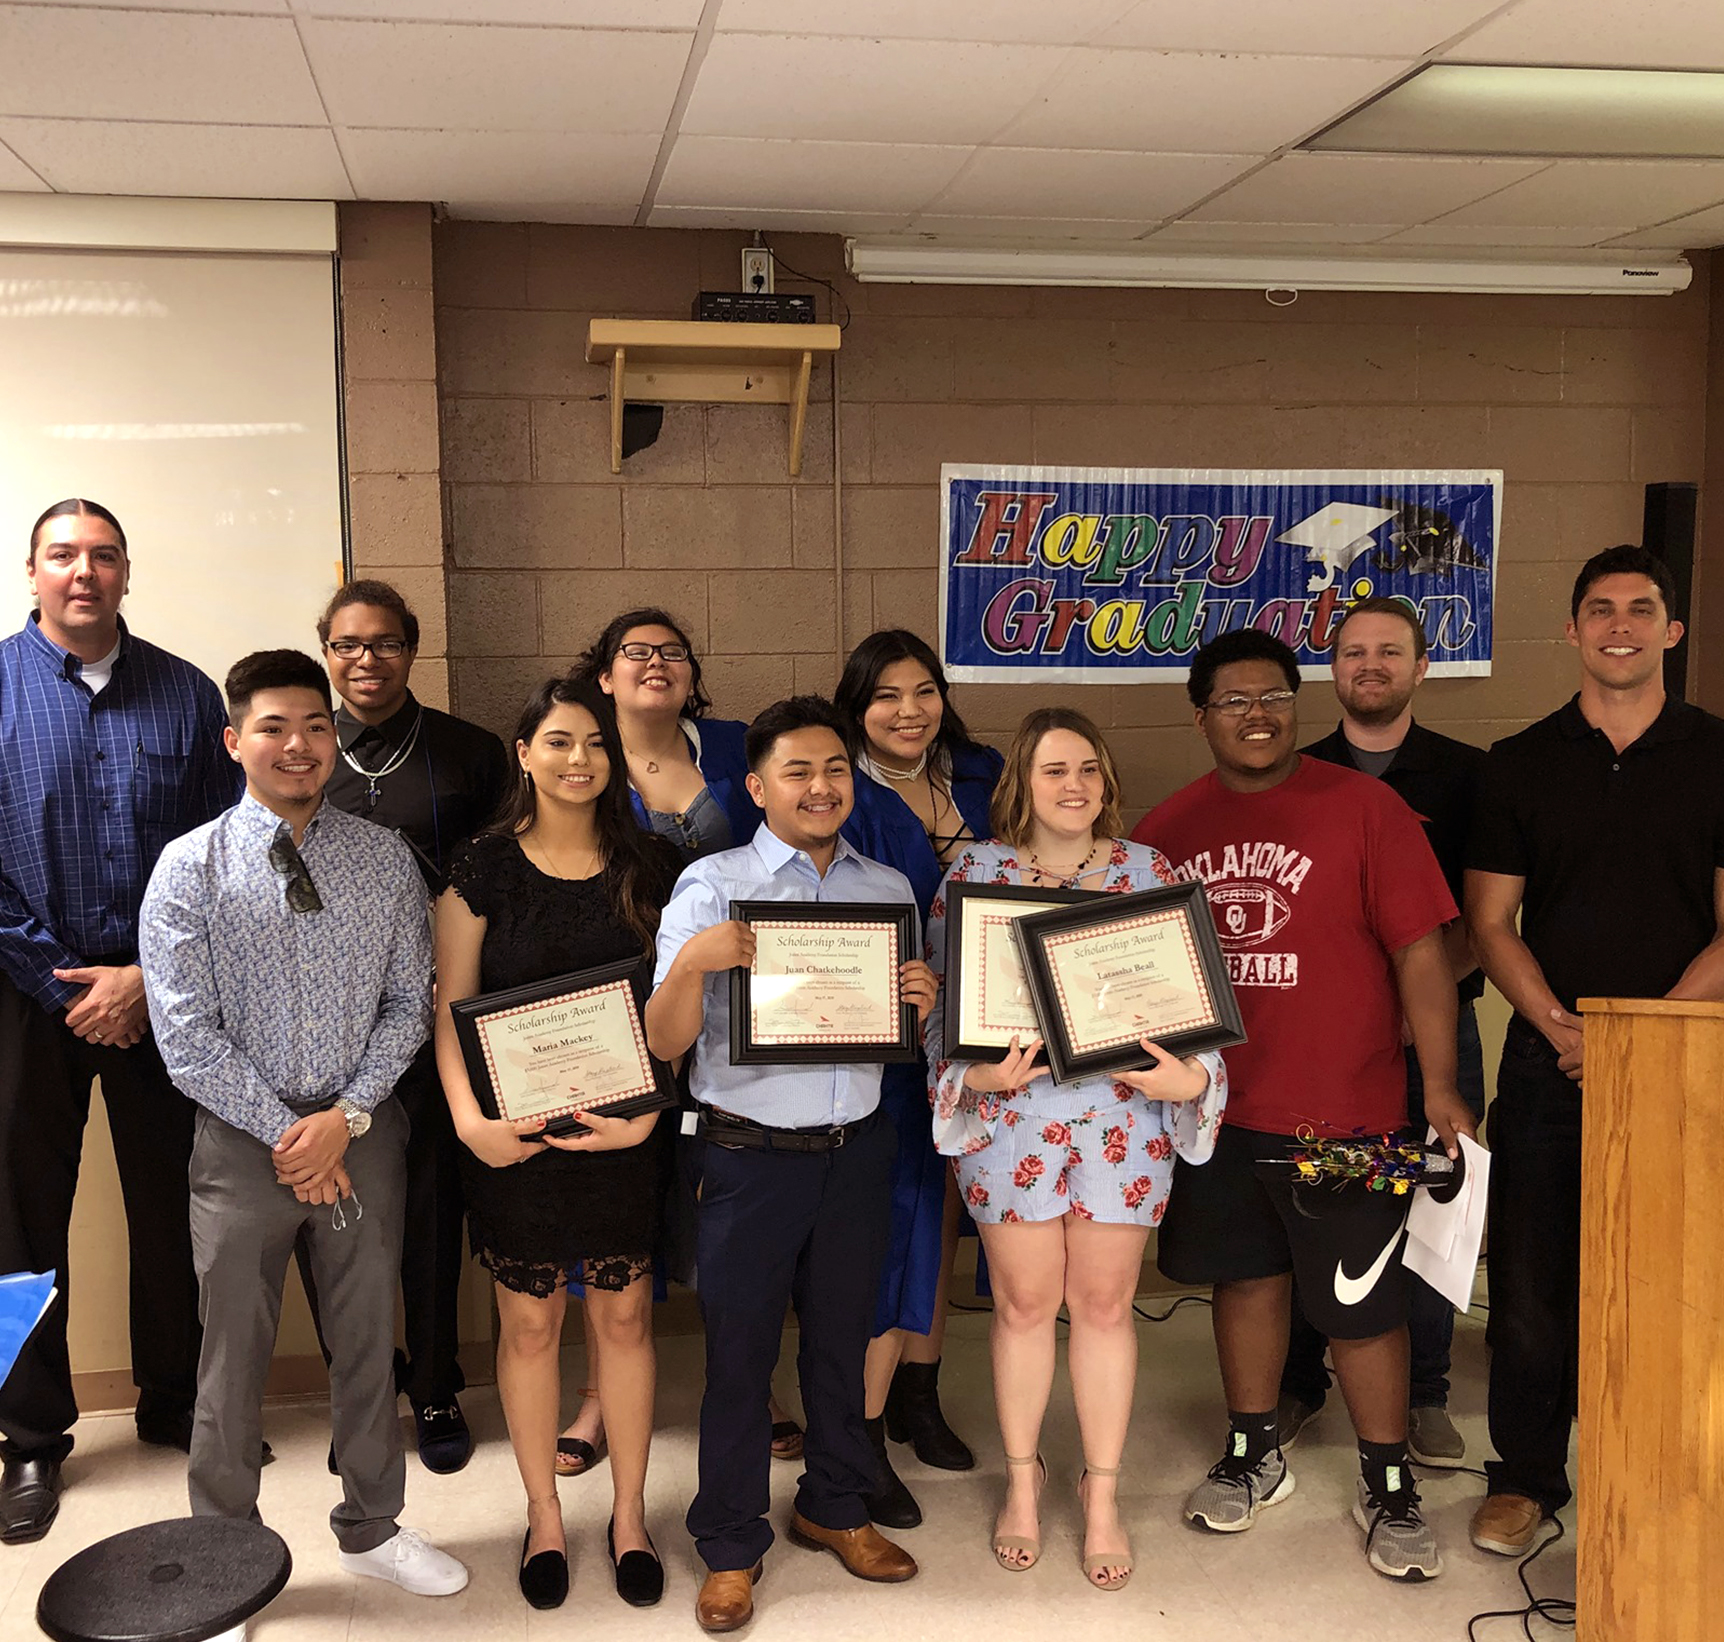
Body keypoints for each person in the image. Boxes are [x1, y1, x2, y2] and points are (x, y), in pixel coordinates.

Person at [1136, 628, 1476, 1583]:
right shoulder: (1166, 831)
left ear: (1298, 701)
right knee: (1245, 1282)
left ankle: (1390, 1480)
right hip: (1223, 1113)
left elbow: (1421, 953)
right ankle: (1254, 1453)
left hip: (1353, 1117)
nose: (1257, 713)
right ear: (1200, 715)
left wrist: (1441, 1085)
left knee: (1365, 1306)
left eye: (1275, 695)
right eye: (1235, 700)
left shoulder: (1369, 810)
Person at [138, 650, 467, 1598]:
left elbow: (411, 1002)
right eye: (275, 728)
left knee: (368, 1343)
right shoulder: (189, 867)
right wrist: (294, 1136)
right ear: (236, 740)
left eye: (316, 727)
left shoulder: (383, 858)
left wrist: (347, 1119)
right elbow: (186, 1035)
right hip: (242, 1149)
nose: (298, 745)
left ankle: (372, 1525)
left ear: (336, 740)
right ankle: (223, 1554)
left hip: (365, 1140)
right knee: (230, 1359)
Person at [645, 696, 936, 1633]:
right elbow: (661, 1041)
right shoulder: (710, 885)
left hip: (857, 1152)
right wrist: (695, 961)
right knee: (738, 1360)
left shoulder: (887, 890)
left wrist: (921, 998)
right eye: (798, 772)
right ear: (759, 787)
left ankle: (833, 1505)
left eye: (836, 770)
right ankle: (730, 1545)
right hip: (748, 1160)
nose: (821, 787)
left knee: (841, 1346)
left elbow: (902, 1029)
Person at [925, 707, 1228, 1589]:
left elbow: (1188, 997)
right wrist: (969, 1079)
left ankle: (1101, 1494)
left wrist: (1193, 1079)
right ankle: (1025, 1483)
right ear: (1023, 779)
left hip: (1124, 1118)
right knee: (1024, 1305)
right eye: (1056, 769)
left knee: (1103, 1306)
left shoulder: (1148, 872)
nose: (1074, 786)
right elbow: (946, 1009)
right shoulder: (975, 873)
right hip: (1013, 1121)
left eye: (1089, 769)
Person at [1465, 545, 1724, 1558]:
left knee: (1663, 1283)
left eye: (1640, 608)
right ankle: (1525, 1477)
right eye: (1598, 609)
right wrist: (1566, 1030)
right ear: (1570, 631)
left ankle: (1645, 1473)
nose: (1619, 624)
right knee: (1528, 1288)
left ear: (1669, 630)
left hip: (1681, 1063)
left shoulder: (1716, 752)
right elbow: (1490, 922)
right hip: (1545, 1062)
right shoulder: (1517, 762)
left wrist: (1639, 1038)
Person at [0, 498, 238, 1545]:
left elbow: (225, 849)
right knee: (15, 1226)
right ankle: (25, 1438)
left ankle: (176, 1401)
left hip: (164, 999)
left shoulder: (188, 695)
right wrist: (66, 988)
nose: (83, 572)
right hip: (21, 1000)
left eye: (102, 555)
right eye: (64, 555)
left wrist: (143, 975)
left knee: (178, 1207)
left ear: (127, 572)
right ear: (32, 570)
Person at [434, 676, 678, 1610]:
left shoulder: (651, 868)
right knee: (530, 1324)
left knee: (623, 1319)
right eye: (561, 742)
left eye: (597, 745)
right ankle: (543, 1514)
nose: (581, 761)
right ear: (526, 755)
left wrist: (654, 1109)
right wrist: (468, 1122)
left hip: (627, 1132)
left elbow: (675, 1012)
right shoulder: (481, 869)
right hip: (513, 1142)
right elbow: (448, 1009)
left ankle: (627, 1517)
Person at [296, 578, 510, 1476]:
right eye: (346, 645)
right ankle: (362, 1381)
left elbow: (500, 876)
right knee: (326, 1203)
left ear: (412, 649)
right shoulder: (303, 753)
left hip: (433, 1017)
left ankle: (432, 1382)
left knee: (427, 1207)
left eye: (383, 643)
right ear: (326, 652)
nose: (365, 661)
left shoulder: (469, 752)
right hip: (319, 1020)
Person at [564, 608, 787, 1469]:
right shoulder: (580, 750)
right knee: (615, 1189)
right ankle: (594, 1399)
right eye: (636, 652)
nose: (656, 664)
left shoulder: (731, 749)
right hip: (614, 998)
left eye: (673, 653)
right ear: (605, 673)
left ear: (692, 674)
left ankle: (751, 1380)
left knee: (736, 1198)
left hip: (739, 1006)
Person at [1278, 598, 1486, 1468]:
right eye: (1354, 651)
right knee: (1308, 1197)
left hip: (1435, 1038)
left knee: (1429, 1199)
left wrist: (1422, 1001)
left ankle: (1425, 1390)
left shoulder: (1472, 777)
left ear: (1422, 666)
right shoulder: (1294, 773)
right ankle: (1299, 1378)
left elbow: (1486, 914)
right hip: (1325, 1043)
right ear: (1333, 669)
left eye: (1389, 651)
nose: (1371, 664)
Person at [834, 628, 1003, 1527]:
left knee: (942, 1216)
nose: (910, 710)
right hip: (888, 1047)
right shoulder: (843, 792)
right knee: (894, 1224)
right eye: (886, 695)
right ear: (856, 708)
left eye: (925, 690)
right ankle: (860, 1433)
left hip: (986, 1039)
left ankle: (920, 1396)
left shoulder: (982, 773)